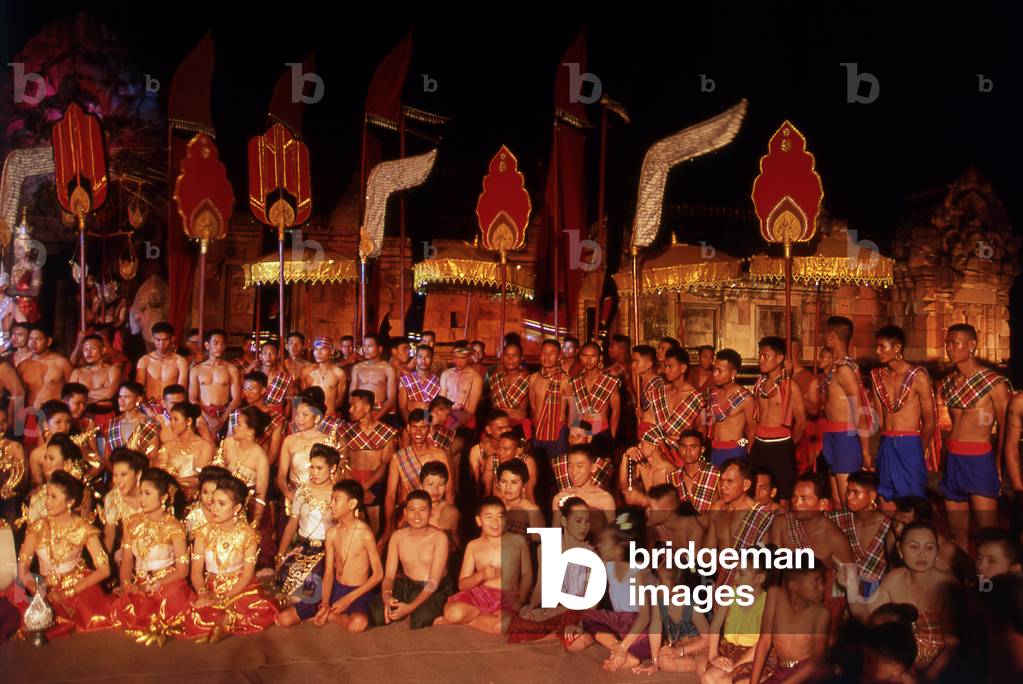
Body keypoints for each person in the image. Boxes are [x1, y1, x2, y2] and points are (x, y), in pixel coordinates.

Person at [849, 521, 962, 680]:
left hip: (939, 671)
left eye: (929, 548)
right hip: (899, 667)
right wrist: (850, 586)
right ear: (900, 550)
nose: (922, 554)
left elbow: (953, 644)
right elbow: (869, 620)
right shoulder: (895, 579)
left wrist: (927, 679)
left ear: (937, 552)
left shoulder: (948, 585)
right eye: (914, 547)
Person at [938, 323, 1011, 551]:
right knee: (956, 534)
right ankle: (962, 583)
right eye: (948, 343)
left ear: (972, 345)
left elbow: (1005, 427)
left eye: (955, 342)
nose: (950, 348)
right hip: (953, 459)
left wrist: (999, 464)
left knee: (988, 534)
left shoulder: (994, 384)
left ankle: (992, 584)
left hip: (979, 460)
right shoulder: (948, 383)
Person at [16, 470, 113, 638]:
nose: (46, 502)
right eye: (47, 496)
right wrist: (39, 592)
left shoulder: (84, 529)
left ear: (70, 502)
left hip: (75, 588)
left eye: (53, 497)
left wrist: (69, 592)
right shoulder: (38, 527)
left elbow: (105, 570)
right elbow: (22, 567)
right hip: (43, 587)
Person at [183, 476, 277, 641]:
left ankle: (223, 623)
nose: (214, 508)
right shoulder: (203, 532)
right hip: (210, 587)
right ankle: (219, 622)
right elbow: (196, 572)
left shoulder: (248, 535)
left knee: (253, 612)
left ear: (237, 508)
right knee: (192, 614)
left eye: (222, 504)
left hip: (238, 587)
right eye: (213, 502)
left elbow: (247, 575)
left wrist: (225, 598)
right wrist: (203, 593)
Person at [110, 467, 193, 645]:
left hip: (168, 582)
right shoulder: (131, 523)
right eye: (140, 493)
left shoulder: (174, 527)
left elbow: (182, 570)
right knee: (125, 608)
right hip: (140, 581)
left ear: (163, 498)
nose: (142, 499)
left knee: (171, 608)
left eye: (147, 493)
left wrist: (155, 585)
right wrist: (126, 584)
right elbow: (127, 561)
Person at [770, 471, 856, 632]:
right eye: (794, 497)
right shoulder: (781, 524)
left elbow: (851, 582)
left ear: (822, 504)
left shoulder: (834, 538)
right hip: (786, 603)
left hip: (820, 610)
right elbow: (774, 572)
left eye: (804, 498)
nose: (796, 503)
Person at [564, 515, 652, 672]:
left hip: (637, 625)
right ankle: (615, 647)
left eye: (604, 543)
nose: (599, 545)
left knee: (646, 644)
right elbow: (594, 599)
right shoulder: (607, 565)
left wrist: (625, 645)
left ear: (619, 548)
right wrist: (580, 625)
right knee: (588, 617)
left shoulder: (636, 572)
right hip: (618, 620)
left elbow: (645, 616)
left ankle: (626, 652)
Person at [435, 496, 532, 634]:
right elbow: (462, 585)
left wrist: (520, 600)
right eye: (489, 517)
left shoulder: (518, 541)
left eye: (500, 516)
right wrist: (482, 575)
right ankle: (464, 619)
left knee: (503, 626)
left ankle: (467, 621)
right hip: (479, 596)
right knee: (453, 613)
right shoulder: (474, 545)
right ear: (479, 521)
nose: (495, 522)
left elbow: (527, 574)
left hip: (507, 598)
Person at [871, 325, 937, 505]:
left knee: (911, 502)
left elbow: (930, 420)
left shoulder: (918, 376)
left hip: (910, 443)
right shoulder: (877, 376)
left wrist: (919, 450)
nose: (877, 352)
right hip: (886, 443)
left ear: (897, 348)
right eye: (876, 347)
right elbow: (880, 417)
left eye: (881, 347)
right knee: (885, 498)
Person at [307, 479, 383, 632]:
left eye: (336, 500)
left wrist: (348, 599)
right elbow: (329, 572)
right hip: (337, 588)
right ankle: (327, 611)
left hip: (358, 591)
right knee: (305, 602)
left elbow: (378, 575)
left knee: (358, 624)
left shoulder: (365, 533)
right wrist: (326, 603)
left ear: (352, 503)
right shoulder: (332, 533)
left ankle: (331, 616)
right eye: (331, 500)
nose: (331, 505)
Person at [370, 489, 452, 629]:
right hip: (407, 584)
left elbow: (433, 583)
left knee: (420, 617)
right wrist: (386, 597)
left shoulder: (439, 538)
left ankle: (413, 610)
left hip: (432, 588)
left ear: (431, 512)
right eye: (412, 510)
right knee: (377, 614)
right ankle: (402, 607)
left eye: (422, 510)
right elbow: (389, 576)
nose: (417, 515)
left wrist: (410, 608)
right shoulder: (398, 536)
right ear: (405, 513)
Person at [276, 444, 340, 611]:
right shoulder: (302, 490)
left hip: (328, 551)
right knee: (286, 575)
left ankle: (303, 603)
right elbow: (292, 523)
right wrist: (280, 555)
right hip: (303, 548)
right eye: (312, 467)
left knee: (312, 584)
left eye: (319, 468)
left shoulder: (338, 494)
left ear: (332, 468)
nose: (314, 472)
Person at [748, 562, 831, 684]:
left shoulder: (821, 613)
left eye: (822, 581)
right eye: (816, 582)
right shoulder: (775, 595)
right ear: (794, 585)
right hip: (782, 671)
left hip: (809, 675)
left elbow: (816, 661)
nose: (822, 587)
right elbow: (764, 642)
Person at [819, 316, 872, 506]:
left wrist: (865, 451)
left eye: (825, 333)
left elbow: (860, 411)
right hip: (832, 434)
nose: (823, 337)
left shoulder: (845, 370)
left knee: (847, 498)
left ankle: (853, 535)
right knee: (836, 499)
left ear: (833, 336)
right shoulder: (834, 368)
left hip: (845, 437)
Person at [751, 337, 806, 507]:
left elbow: (801, 422)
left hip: (781, 445)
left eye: (766, 356)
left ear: (780, 358)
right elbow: (755, 418)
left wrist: (790, 445)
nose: (761, 360)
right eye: (760, 356)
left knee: (783, 495)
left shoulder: (790, 387)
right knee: (757, 491)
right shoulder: (759, 384)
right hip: (759, 444)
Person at [217, 405, 274, 567]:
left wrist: (254, 523)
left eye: (239, 424)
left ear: (250, 432)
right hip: (222, 503)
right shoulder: (227, 443)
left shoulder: (260, 458)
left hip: (247, 508)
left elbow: (261, 495)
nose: (234, 427)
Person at [384, 408, 452, 537]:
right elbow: (390, 496)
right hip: (407, 516)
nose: (418, 432)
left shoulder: (440, 454)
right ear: (408, 429)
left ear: (429, 429)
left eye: (423, 427)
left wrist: (448, 524)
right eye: (414, 427)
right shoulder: (399, 457)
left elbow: (449, 492)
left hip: (435, 514)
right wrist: (389, 527)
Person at [633, 566, 711, 675]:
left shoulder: (692, 606)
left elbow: (708, 639)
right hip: (676, 644)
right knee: (663, 662)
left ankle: (701, 663)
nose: (657, 584)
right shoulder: (658, 598)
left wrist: (680, 651)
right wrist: (655, 662)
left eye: (661, 581)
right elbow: (655, 627)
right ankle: (696, 664)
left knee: (702, 667)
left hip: (698, 646)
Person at [338, 389, 397, 532]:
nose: (350, 410)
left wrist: (364, 488)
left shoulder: (387, 432)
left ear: (367, 408)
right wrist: (357, 488)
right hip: (352, 480)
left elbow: (384, 465)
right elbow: (343, 462)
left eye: (355, 406)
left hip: (374, 482)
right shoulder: (345, 431)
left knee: (375, 525)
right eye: (350, 406)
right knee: (356, 524)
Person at [828, 470, 893, 600]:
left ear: (872, 496)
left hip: (878, 596)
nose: (849, 497)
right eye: (848, 491)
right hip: (842, 592)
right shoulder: (839, 519)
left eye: (856, 492)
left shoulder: (889, 527)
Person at [701, 563, 769, 684]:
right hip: (730, 651)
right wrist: (713, 656)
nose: (736, 577)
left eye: (741, 574)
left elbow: (762, 643)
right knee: (708, 678)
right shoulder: (730, 594)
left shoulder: (768, 602)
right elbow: (715, 626)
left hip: (754, 656)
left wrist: (735, 667)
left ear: (760, 578)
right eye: (736, 572)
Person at [646, 347, 704, 453]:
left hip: (683, 454)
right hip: (657, 452)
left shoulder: (697, 399)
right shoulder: (657, 393)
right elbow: (647, 425)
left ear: (683, 368)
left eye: (670, 366)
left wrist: (683, 441)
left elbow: (701, 432)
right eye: (665, 366)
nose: (666, 371)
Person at [187, 329, 241, 440]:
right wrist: (207, 418)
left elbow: (236, 399)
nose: (219, 347)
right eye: (215, 343)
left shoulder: (231, 369)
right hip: (202, 414)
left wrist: (222, 419)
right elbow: (192, 399)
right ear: (207, 345)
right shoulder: (196, 369)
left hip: (224, 414)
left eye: (222, 343)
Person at [529, 339, 574, 471]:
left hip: (558, 432)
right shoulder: (533, 379)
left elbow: (574, 408)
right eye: (544, 352)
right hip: (538, 432)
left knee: (560, 472)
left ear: (559, 357)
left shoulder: (565, 380)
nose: (547, 357)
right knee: (539, 472)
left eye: (552, 353)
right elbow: (533, 407)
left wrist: (572, 433)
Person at [153, 402, 214, 498]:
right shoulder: (167, 446)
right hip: (168, 496)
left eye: (176, 419)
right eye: (170, 419)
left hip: (194, 497)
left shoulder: (205, 446)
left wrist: (175, 482)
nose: (172, 424)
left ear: (189, 421)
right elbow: (158, 474)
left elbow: (201, 478)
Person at [552, 445, 616, 536]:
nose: (574, 471)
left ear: (593, 468)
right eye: (570, 466)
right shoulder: (560, 498)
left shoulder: (605, 499)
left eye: (579, 466)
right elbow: (555, 536)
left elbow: (613, 536)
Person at [570, 341, 621, 454]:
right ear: (580, 357)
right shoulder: (575, 381)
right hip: (581, 433)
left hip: (601, 431)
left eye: (592, 356)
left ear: (600, 358)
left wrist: (611, 436)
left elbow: (616, 411)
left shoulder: (609, 381)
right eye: (585, 356)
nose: (588, 360)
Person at [706, 349, 754, 467]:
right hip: (715, 450)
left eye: (719, 371)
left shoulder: (745, 397)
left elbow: (752, 430)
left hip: (734, 451)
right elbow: (709, 421)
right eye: (714, 369)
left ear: (732, 373)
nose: (714, 374)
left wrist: (743, 449)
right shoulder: (713, 392)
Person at [226, 372, 284, 463]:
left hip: (260, 464)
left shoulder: (276, 418)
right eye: (245, 389)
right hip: (236, 463)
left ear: (263, 390)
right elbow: (229, 442)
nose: (247, 393)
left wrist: (258, 469)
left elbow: (273, 453)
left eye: (251, 389)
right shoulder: (237, 414)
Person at [100, 448, 147, 555]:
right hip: (127, 552)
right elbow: (109, 535)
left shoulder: (151, 492)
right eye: (115, 475)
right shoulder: (113, 497)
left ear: (138, 474)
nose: (117, 480)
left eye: (123, 474)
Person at [69, 333, 122, 428]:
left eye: (93, 349)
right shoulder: (77, 372)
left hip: (106, 417)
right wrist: (100, 395)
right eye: (85, 349)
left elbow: (110, 393)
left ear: (103, 350)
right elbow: (72, 398)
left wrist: (84, 396)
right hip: (83, 417)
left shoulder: (112, 370)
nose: (88, 353)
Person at [666, 429, 721, 517]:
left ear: (702, 450)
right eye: (683, 447)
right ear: (679, 448)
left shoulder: (715, 473)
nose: (688, 452)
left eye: (693, 447)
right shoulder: (672, 477)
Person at [135, 322, 188, 411]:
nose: (161, 344)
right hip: (149, 407)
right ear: (152, 339)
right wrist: (148, 410)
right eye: (158, 340)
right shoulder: (145, 361)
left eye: (165, 339)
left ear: (172, 339)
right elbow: (139, 389)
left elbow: (181, 390)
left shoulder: (180, 361)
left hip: (172, 407)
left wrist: (174, 410)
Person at [349, 334, 398, 428]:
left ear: (380, 349)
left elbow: (391, 399)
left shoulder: (388, 369)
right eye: (364, 346)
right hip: (359, 411)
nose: (365, 349)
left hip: (380, 411)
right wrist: (358, 412)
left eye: (370, 346)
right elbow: (351, 395)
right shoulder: (357, 368)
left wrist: (375, 417)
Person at [105, 381, 160, 458]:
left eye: (126, 397)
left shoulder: (149, 424)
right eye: (120, 397)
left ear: (138, 399)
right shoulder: (112, 423)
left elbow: (152, 457)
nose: (121, 401)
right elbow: (107, 456)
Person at [487, 341, 531, 436]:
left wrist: (502, 410)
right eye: (507, 355)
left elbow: (521, 414)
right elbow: (494, 409)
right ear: (502, 357)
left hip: (518, 427)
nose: (510, 359)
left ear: (521, 358)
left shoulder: (528, 379)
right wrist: (510, 411)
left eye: (514, 355)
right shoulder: (495, 378)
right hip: (498, 427)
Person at [646, 482, 704, 550]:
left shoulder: (693, 530)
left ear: (666, 512)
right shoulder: (653, 526)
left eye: (650, 508)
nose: (647, 510)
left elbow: (693, 559)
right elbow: (648, 556)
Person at [486, 431, 539, 503]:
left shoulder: (527, 462)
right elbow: (486, 492)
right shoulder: (493, 460)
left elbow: (529, 492)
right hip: (499, 507)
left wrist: (531, 512)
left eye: (506, 449)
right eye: (499, 448)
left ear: (518, 451)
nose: (500, 453)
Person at [495, 459, 544, 538]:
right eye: (504, 481)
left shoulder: (531, 511)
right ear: (498, 483)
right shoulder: (494, 506)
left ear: (524, 486)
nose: (508, 487)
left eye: (514, 482)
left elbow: (538, 542)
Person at [439, 344, 483, 431]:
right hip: (446, 417)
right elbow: (441, 400)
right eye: (455, 357)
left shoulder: (475, 378)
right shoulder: (446, 374)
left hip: (464, 421)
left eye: (462, 358)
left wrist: (453, 427)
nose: (457, 361)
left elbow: (471, 411)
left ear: (469, 358)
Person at [300, 336, 347, 418]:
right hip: (311, 418)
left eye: (323, 349)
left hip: (330, 416)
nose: (318, 352)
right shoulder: (306, 372)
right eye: (316, 349)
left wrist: (330, 412)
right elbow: (302, 398)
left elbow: (340, 399)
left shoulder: (339, 373)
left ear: (331, 351)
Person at [183, 465, 231, 543]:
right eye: (205, 492)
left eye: (213, 493)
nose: (209, 498)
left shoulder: (229, 515)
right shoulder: (194, 517)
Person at [468, 409, 510, 495]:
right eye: (500, 428)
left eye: (508, 427)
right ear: (488, 430)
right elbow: (476, 485)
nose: (506, 431)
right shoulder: (478, 451)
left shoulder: (517, 448)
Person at [420, 461, 461, 549]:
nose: (435, 489)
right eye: (430, 484)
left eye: (441, 484)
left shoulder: (451, 512)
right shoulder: (411, 508)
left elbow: (457, 544)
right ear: (421, 484)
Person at [397, 343, 440, 421]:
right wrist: (411, 425)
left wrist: (426, 425)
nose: (423, 360)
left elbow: (435, 408)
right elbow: (402, 407)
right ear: (415, 359)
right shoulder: (406, 380)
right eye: (420, 357)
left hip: (429, 422)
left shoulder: (437, 381)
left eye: (427, 357)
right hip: (410, 420)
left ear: (432, 359)